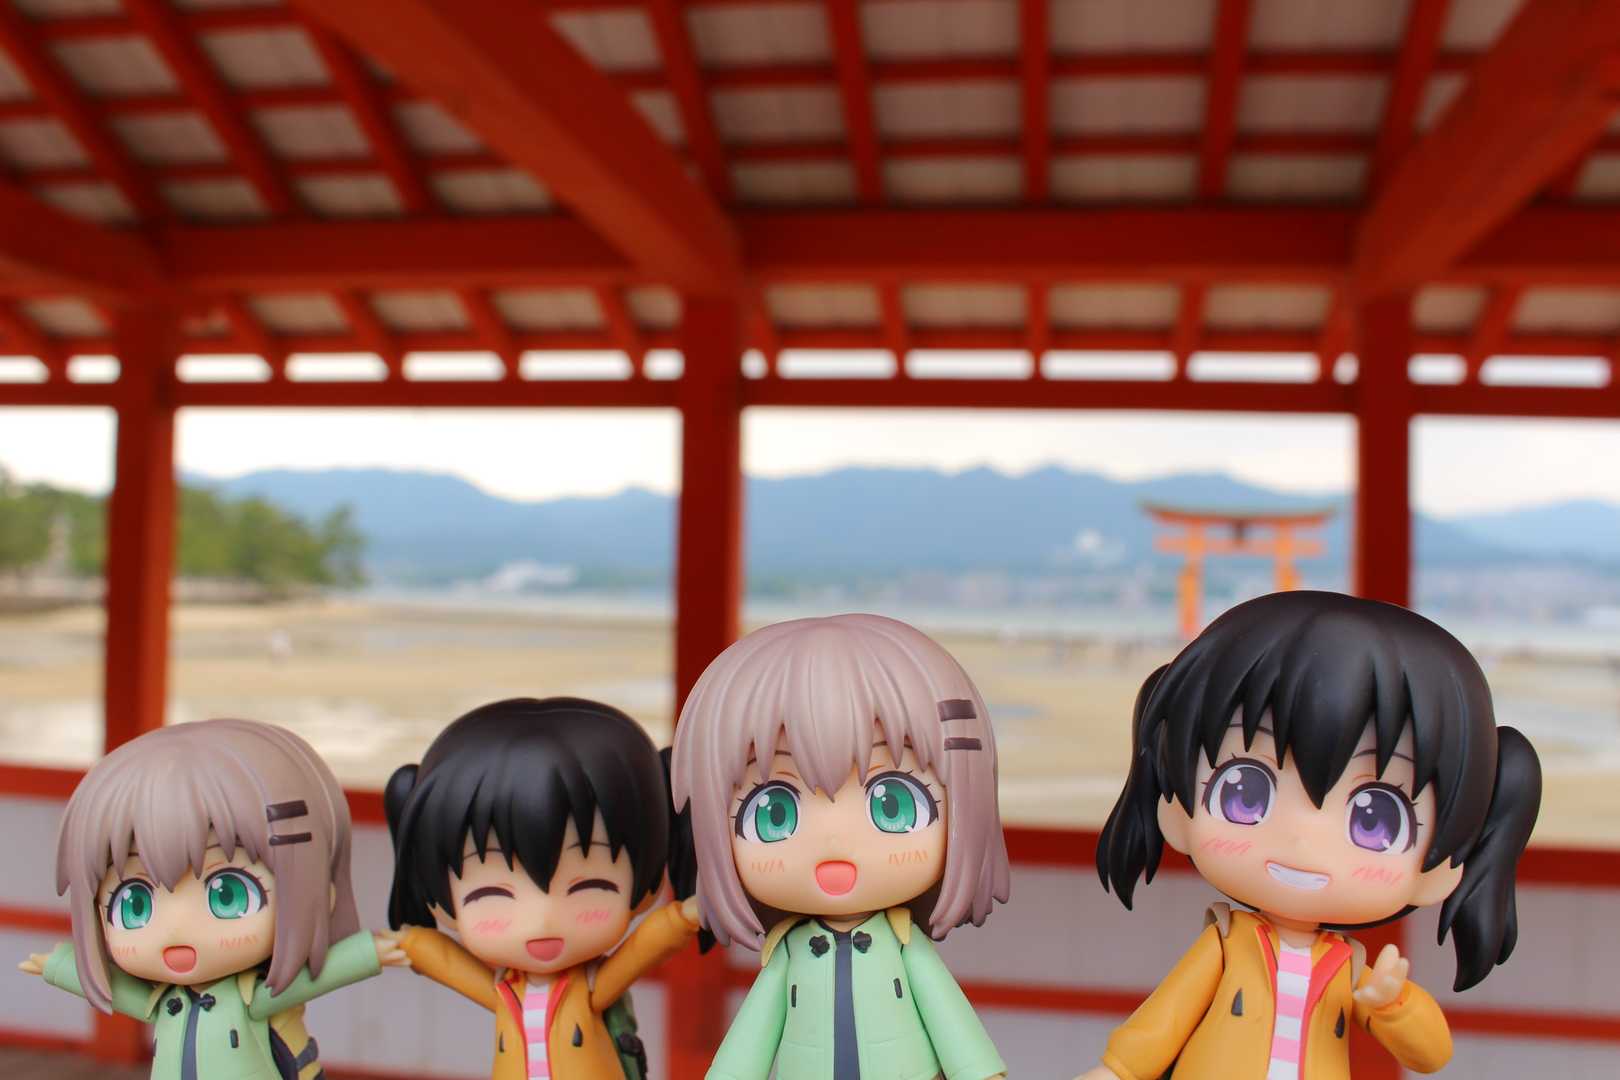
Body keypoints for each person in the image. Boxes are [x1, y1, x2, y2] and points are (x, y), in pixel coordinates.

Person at [1081, 591, 1542, 1080]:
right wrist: (1118, 1071)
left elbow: (1431, 1053)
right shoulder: (1227, 946)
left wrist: (1394, 1004)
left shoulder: (1348, 970)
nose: (1303, 839)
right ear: (1175, 811)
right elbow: (1164, 1022)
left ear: (1440, 872)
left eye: (1374, 821)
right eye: (1244, 792)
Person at [671, 613, 1009, 1080]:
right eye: (774, 813)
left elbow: (952, 1025)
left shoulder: (905, 947)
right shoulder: (789, 953)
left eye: (893, 805)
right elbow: (749, 1043)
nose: (834, 840)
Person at [20, 718, 403, 1080]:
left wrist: (370, 952)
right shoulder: (167, 1002)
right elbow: (123, 995)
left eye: (228, 895)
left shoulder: (251, 998)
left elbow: (320, 978)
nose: (176, 929)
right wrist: (60, 966)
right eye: (134, 904)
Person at [380, 696, 700, 1080]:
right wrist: (408, 944)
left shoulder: (589, 988)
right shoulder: (504, 991)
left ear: (646, 882)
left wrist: (683, 918)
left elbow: (642, 949)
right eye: (492, 894)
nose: (542, 920)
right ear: (442, 901)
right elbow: (448, 964)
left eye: (590, 886)